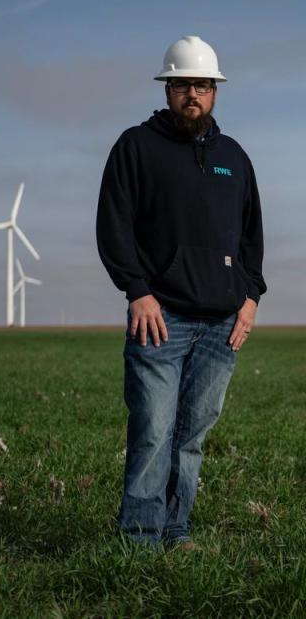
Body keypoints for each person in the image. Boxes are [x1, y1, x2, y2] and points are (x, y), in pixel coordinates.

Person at [96, 35, 266, 549]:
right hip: (160, 317)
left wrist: (251, 298)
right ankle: (140, 539)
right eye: (182, 84)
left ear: (215, 91)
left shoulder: (233, 157)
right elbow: (114, 224)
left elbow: (251, 234)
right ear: (167, 88)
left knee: (190, 438)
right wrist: (138, 291)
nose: (192, 93)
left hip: (222, 325)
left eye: (202, 85)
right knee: (152, 431)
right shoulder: (136, 146)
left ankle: (176, 529)